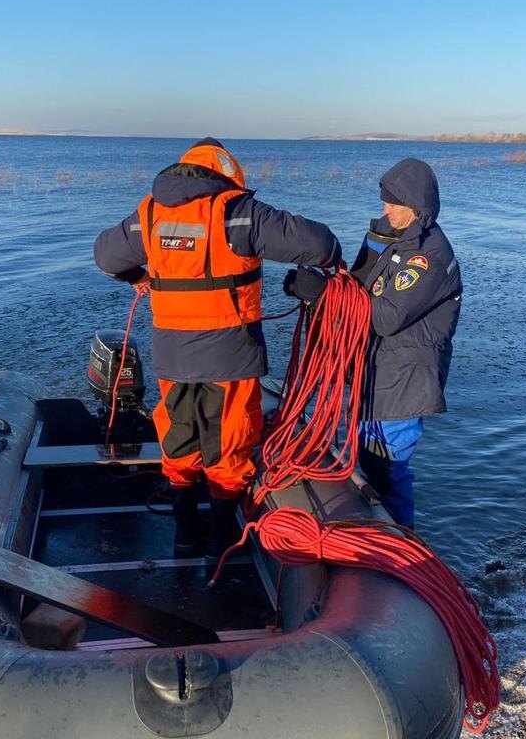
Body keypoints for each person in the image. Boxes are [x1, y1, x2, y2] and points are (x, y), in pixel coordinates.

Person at [94, 138, 341, 558]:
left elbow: (105, 256)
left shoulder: (149, 214)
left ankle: (185, 536)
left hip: (173, 356)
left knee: (179, 438)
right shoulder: (239, 213)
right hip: (230, 354)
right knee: (229, 445)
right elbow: (319, 244)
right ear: (227, 175)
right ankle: (219, 544)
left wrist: (136, 274)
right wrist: (335, 256)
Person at [284, 158, 461, 528]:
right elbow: (355, 290)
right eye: (385, 201)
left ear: (416, 206)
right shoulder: (384, 238)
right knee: (367, 460)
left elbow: (385, 316)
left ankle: (402, 544)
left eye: (394, 203)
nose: (386, 209)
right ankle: (379, 534)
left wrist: (323, 296)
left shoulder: (431, 256)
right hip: (370, 374)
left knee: (388, 469)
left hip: (402, 384)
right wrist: (318, 290)